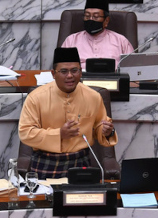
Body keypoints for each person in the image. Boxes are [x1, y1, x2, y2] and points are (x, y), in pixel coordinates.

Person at [18, 47, 117, 177]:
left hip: (80, 161)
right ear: (53, 74)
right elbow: (25, 132)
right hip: (45, 161)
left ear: (81, 72)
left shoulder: (93, 96)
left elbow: (100, 126)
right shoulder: (36, 97)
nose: (70, 76)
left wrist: (106, 131)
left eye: (74, 70)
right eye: (64, 71)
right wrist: (59, 134)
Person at [61, 0, 134, 68]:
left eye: (96, 17)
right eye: (87, 16)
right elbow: (61, 67)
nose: (91, 19)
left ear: (106, 20)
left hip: (112, 79)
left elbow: (132, 68)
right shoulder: (71, 40)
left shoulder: (121, 41)